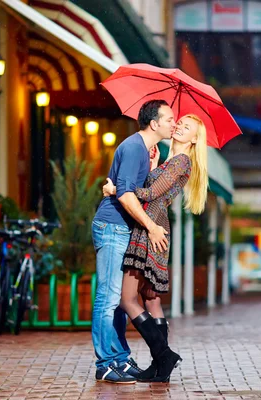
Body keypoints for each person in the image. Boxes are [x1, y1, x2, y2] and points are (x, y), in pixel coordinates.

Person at [103, 114, 208, 382]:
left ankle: (164, 355)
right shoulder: (172, 161)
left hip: (151, 230)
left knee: (127, 299)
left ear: (195, 139)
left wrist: (117, 190)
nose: (180, 126)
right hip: (156, 226)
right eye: (180, 122)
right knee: (151, 297)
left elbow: (150, 195)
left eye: (187, 127)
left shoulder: (182, 161)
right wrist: (153, 166)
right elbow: (154, 188)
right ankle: (161, 369)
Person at [91, 99, 175, 384]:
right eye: (169, 118)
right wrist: (151, 226)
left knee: (117, 301)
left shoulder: (147, 150)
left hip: (123, 229)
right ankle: (105, 363)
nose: (173, 123)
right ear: (154, 123)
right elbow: (126, 196)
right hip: (112, 227)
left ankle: (120, 359)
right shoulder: (133, 147)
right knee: (109, 298)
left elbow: (130, 189)